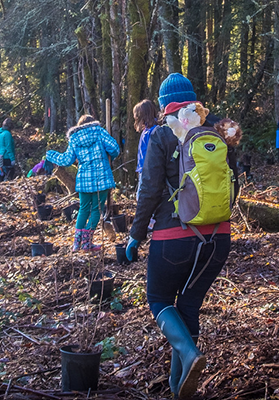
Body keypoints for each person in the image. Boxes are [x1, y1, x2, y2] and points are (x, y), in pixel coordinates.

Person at [126, 73, 233, 399]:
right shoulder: (216, 130)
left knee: (158, 300)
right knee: (187, 307)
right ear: (194, 100)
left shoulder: (160, 134)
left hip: (173, 237)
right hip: (218, 238)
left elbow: (149, 189)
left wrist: (136, 234)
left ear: (163, 106)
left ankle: (188, 355)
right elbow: (233, 181)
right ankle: (179, 388)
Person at [46, 115, 120, 251]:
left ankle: (76, 244)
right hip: (101, 179)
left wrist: (50, 155)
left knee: (83, 209)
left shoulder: (74, 138)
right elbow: (114, 148)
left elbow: (67, 160)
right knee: (96, 209)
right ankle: (87, 243)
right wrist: (109, 156)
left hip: (83, 181)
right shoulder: (99, 132)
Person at [133, 99, 161, 182]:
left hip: (148, 171)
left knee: (142, 194)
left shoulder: (151, 132)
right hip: (145, 169)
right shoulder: (149, 130)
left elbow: (148, 153)